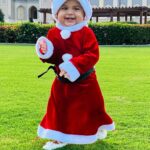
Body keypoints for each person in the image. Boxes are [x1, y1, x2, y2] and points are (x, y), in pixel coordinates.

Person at [35, 0, 115, 149]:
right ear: (56, 14)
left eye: (76, 9)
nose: (70, 12)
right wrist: (45, 51)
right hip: (62, 82)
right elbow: (53, 57)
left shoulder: (86, 32)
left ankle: (96, 127)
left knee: (91, 108)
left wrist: (74, 66)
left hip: (86, 81)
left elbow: (92, 54)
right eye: (64, 8)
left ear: (84, 14)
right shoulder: (53, 33)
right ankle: (59, 137)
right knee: (58, 109)